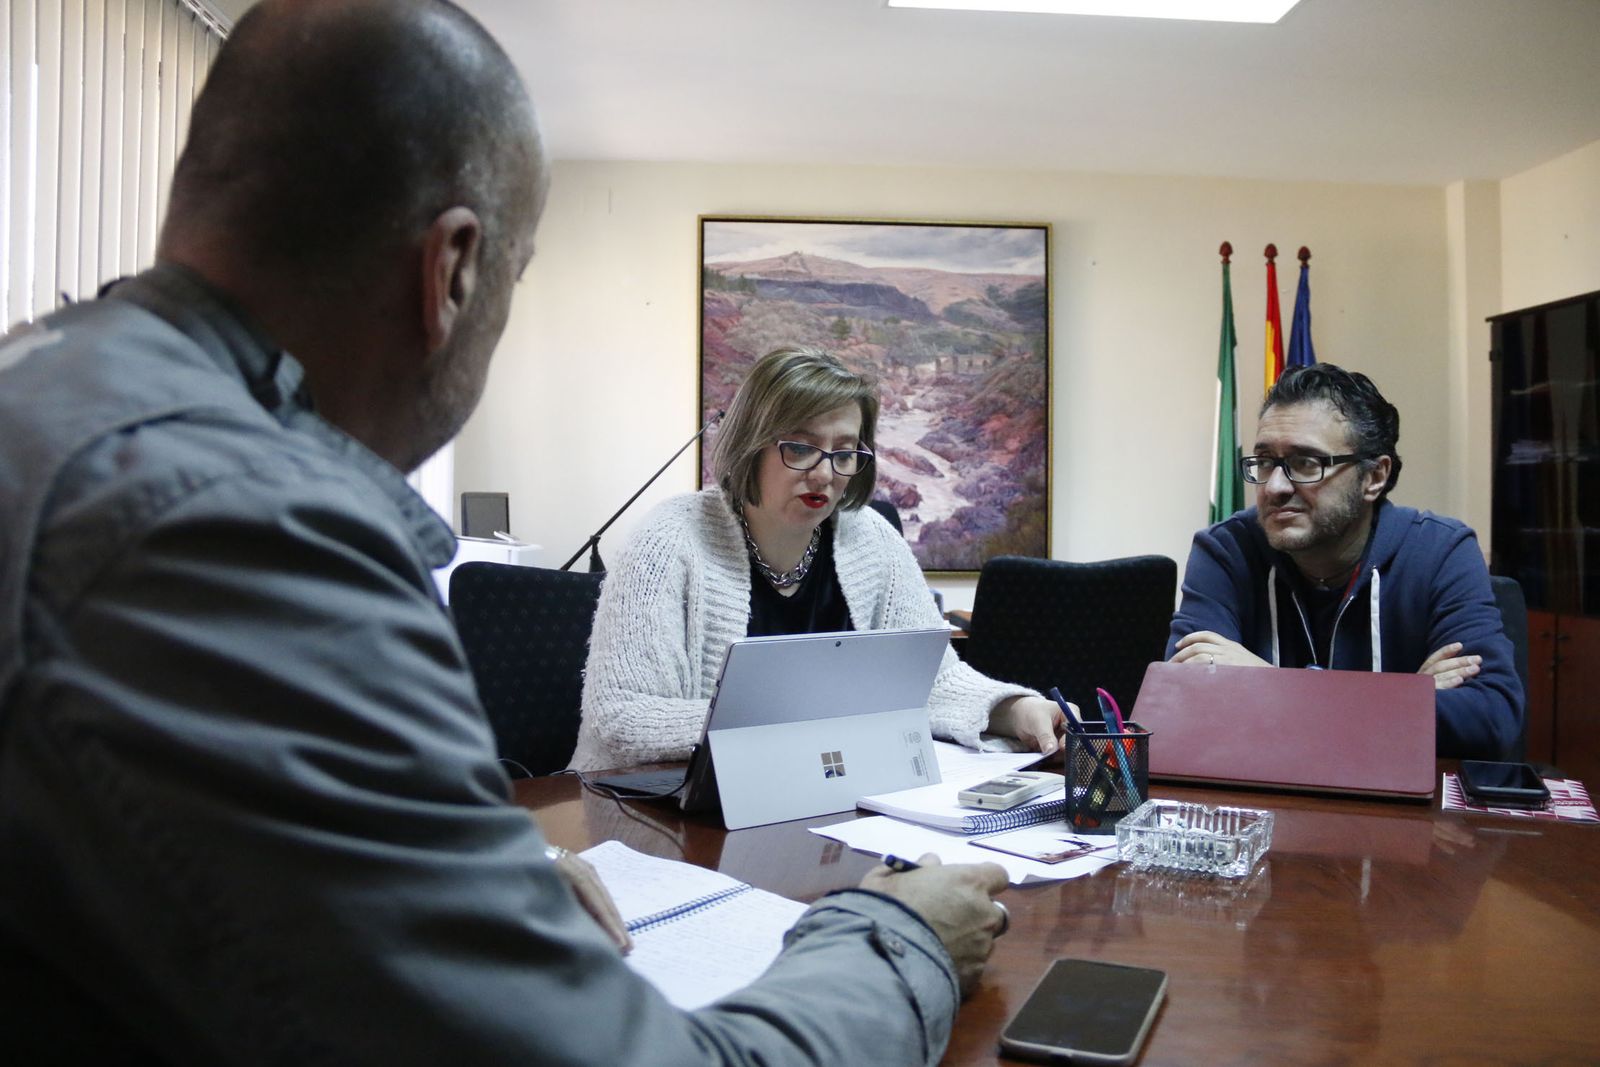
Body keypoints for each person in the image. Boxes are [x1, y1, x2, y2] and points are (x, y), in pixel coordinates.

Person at [0, 3, 1011, 1063]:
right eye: (519, 276)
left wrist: (470, 873)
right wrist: (903, 937)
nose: (826, 470)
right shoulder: (242, 530)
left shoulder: (58, 396)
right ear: (454, 269)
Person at [570, 346, 1068, 772]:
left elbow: (932, 682)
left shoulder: (871, 539)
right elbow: (621, 718)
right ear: (750, 444)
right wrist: (808, 720)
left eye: (844, 452)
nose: (825, 473)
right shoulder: (669, 538)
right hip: (648, 808)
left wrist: (1016, 708)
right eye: (802, 448)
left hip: (813, 796)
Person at [1167, 363, 1522, 759]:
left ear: (1374, 477)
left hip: (1397, 810)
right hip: (1263, 806)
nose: (1276, 487)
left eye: (1306, 463)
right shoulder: (1227, 549)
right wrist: (1407, 698)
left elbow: (1491, 720)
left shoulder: (1441, 552)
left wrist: (1267, 685)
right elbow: (1184, 703)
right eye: (1265, 461)